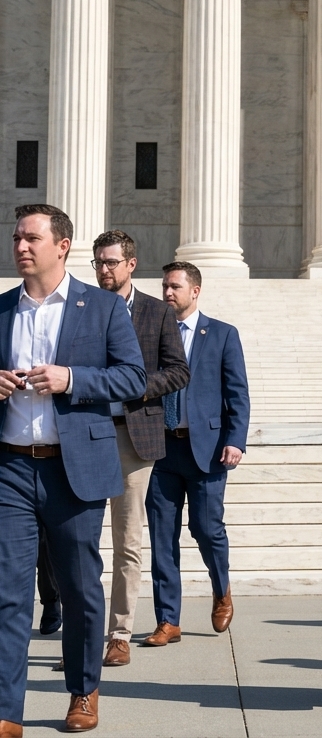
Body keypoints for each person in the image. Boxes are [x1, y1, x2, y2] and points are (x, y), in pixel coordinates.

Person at [0, 204, 146, 735]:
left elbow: (132, 378)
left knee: (81, 587)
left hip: (73, 469)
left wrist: (71, 379)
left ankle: (83, 691)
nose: (20, 246)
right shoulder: (1, 309)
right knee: (8, 591)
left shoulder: (102, 307)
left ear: (61, 245)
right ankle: (6, 710)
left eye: (31, 238)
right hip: (11, 468)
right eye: (16, 237)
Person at [91, 230, 190, 667]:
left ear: (131, 264)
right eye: (98, 262)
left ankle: (119, 633)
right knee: (81, 541)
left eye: (111, 262)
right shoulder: (83, 308)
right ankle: (84, 634)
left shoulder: (156, 312)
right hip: (86, 434)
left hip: (135, 436)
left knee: (127, 541)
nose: (104, 270)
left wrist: (135, 386)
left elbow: (178, 371)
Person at [143, 262, 250, 647]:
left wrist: (235, 440)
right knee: (161, 537)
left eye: (175, 287)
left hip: (206, 451)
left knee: (207, 529)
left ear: (195, 291)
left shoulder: (221, 334)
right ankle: (168, 620)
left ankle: (221, 591)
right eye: (164, 286)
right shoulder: (152, 335)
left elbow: (237, 394)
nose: (167, 293)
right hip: (160, 449)